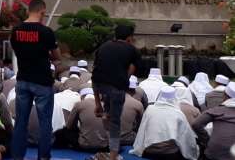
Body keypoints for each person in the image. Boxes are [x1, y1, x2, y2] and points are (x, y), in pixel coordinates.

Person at [10, 0, 61, 160]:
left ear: (28, 11)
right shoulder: (46, 32)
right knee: (45, 122)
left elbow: (16, 50)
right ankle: (43, 157)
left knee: (20, 122)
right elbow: (56, 56)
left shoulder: (16, 31)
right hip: (42, 82)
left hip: (23, 79)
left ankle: (17, 156)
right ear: (42, 12)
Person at [91, 24, 141, 160]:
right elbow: (132, 69)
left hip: (100, 85)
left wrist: (97, 103)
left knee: (107, 114)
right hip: (117, 88)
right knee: (115, 122)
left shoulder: (103, 47)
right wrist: (123, 78)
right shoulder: (132, 50)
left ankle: (111, 147)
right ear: (129, 38)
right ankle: (113, 155)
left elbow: (94, 73)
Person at [130, 86, 199, 160]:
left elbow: (142, 131)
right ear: (174, 97)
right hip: (169, 153)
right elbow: (185, 136)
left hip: (149, 151)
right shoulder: (178, 113)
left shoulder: (150, 109)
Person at [192, 82, 235, 160]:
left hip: (215, 153)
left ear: (225, 96)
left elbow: (196, 124)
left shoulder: (216, 110)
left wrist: (207, 140)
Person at [66, 87, 110, 152]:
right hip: (104, 146)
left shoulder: (79, 104)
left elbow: (69, 126)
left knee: (64, 132)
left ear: (82, 97)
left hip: (84, 145)